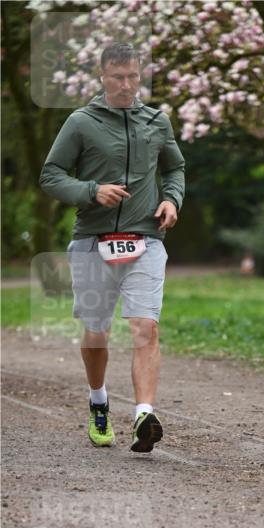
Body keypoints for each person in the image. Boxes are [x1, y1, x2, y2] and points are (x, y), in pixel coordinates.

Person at [39, 42, 185, 452]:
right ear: (102, 77)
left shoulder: (156, 121)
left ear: (141, 76)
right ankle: (99, 400)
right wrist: (91, 190)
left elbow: (174, 167)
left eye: (133, 76)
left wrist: (172, 199)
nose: (126, 84)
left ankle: (144, 414)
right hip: (92, 242)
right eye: (118, 77)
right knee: (96, 334)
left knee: (146, 326)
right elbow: (51, 175)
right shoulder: (81, 122)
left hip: (146, 239)